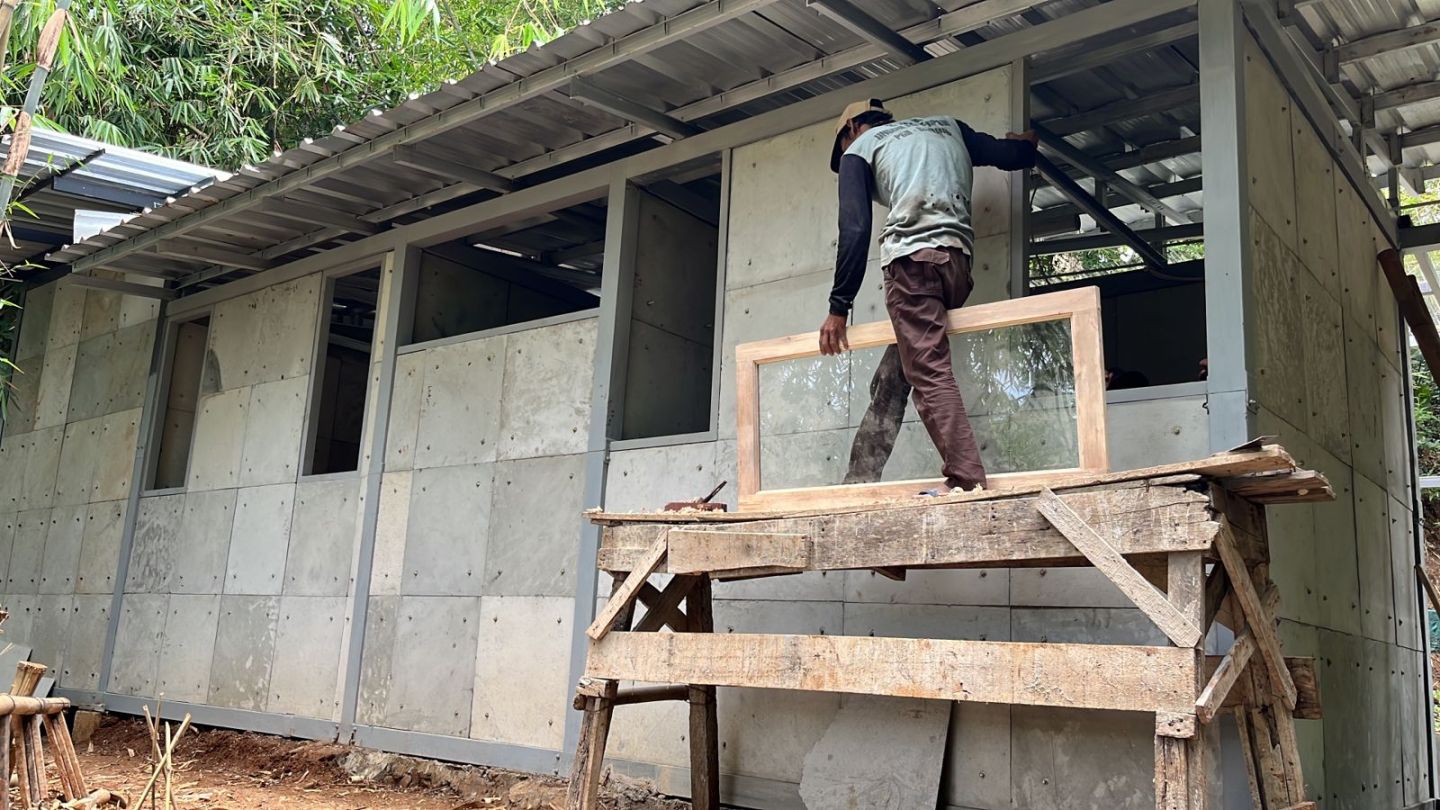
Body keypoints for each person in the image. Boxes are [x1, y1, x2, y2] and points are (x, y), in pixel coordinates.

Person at [820, 99, 1037, 494]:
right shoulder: (948, 125)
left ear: (851, 127)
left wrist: (838, 308)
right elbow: (1010, 154)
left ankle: (967, 482)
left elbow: (854, 229)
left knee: (929, 373)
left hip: (912, 267)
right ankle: (858, 483)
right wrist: (1026, 144)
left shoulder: (859, 150)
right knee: (894, 375)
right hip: (955, 266)